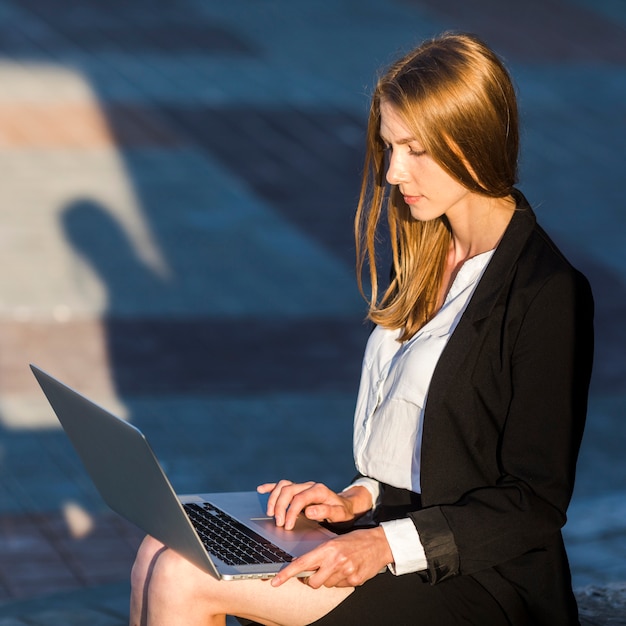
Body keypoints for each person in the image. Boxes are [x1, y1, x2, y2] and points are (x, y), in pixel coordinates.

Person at [129, 32, 594, 625]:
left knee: (181, 576)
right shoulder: (432, 248)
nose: (395, 171)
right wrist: (356, 498)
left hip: (483, 584)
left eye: (415, 149)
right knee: (160, 547)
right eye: (389, 146)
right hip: (393, 536)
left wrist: (380, 544)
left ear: (472, 141)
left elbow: (534, 502)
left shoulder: (546, 291)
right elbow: (424, 440)